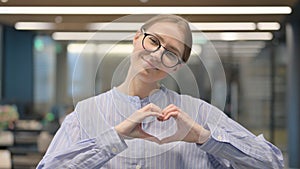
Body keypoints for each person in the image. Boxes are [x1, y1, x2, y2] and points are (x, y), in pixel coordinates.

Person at [37, 14, 284, 169]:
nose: (156, 55)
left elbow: (271, 163)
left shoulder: (198, 113)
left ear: (177, 66)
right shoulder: (86, 113)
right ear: (136, 38)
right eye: (153, 41)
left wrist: (204, 137)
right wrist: (115, 136)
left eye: (171, 53)